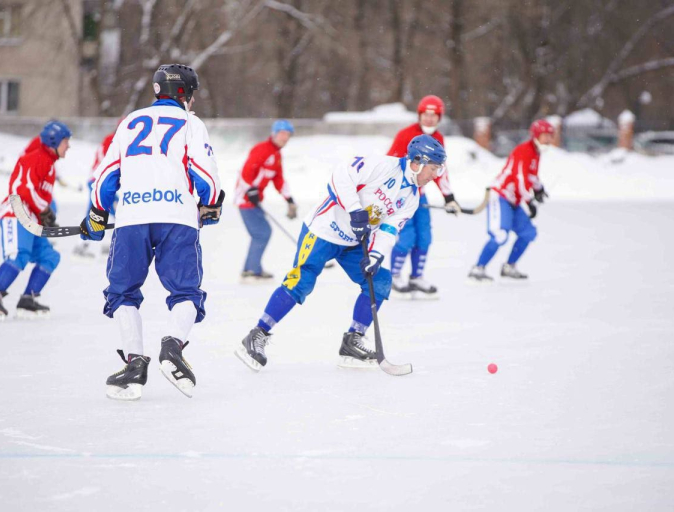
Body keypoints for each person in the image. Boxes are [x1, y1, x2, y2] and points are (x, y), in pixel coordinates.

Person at [234, 134, 447, 372]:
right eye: (434, 168)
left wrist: (376, 256)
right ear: (417, 162)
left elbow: (388, 229)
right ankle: (257, 333)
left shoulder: (412, 198)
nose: (435, 175)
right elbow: (341, 176)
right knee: (301, 282)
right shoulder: (382, 166)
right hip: (324, 230)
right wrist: (355, 210)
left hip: (355, 243)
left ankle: (352, 341)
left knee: (380, 282)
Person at [80, 63, 223, 401]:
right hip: (178, 217)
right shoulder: (191, 122)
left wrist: (97, 213)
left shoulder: (130, 121)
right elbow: (205, 172)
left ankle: (133, 366)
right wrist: (211, 204)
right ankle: (172, 347)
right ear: (185, 93)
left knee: (122, 293)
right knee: (186, 292)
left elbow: (107, 174)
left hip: (132, 218)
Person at [0, 121, 72, 320]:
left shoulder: (49, 163)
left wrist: (46, 213)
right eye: (66, 141)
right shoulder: (37, 158)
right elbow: (24, 189)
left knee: (49, 257)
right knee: (18, 255)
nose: (68, 146)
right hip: (17, 213)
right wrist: (45, 210)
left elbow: (40, 195)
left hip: (31, 217)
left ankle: (27, 299)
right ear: (55, 141)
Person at [387, 95, 461, 299]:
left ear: (439, 117)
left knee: (424, 237)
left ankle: (416, 277)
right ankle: (393, 277)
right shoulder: (405, 135)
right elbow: (392, 164)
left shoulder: (439, 139)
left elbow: (439, 170)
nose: (429, 119)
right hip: (402, 196)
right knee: (406, 237)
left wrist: (449, 197)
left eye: (433, 115)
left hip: (421, 196)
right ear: (420, 115)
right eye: (425, 115)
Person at [468, 119, 554, 282]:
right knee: (500, 235)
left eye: (550, 136)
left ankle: (509, 266)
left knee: (528, 233)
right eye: (545, 136)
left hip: (514, 200)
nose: (548, 139)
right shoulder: (524, 150)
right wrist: (528, 201)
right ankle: (478, 268)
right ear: (536, 135)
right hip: (500, 196)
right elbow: (520, 178)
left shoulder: (536, 153)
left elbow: (531, 176)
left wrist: (538, 189)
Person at [234, 119, 297, 282]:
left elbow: (279, 179)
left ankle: (251, 268)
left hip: (255, 199)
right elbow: (245, 172)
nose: (285, 138)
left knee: (261, 233)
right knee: (262, 233)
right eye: (282, 134)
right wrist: (250, 190)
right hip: (245, 199)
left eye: (288, 135)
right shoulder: (262, 149)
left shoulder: (276, 155)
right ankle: (251, 269)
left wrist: (289, 199)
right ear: (274, 134)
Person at [73, 128, 116, 259]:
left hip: (100, 180)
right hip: (99, 181)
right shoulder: (112, 139)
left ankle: (106, 245)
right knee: (97, 212)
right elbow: (109, 161)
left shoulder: (111, 138)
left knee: (109, 211)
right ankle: (82, 245)